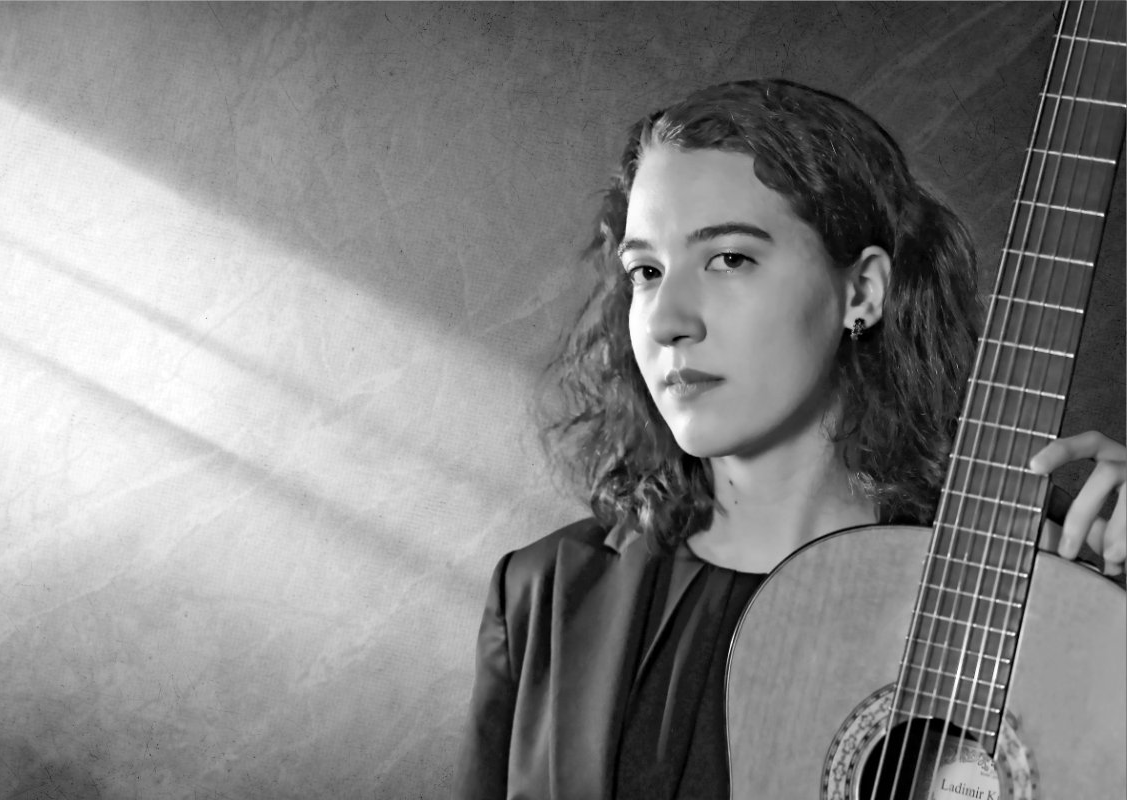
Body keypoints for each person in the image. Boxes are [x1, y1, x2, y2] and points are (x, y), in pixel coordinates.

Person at [454, 79, 1125, 799]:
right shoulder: (542, 594)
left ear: (862, 291)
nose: (667, 320)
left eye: (729, 258)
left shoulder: (1043, 594)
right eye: (646, 271)